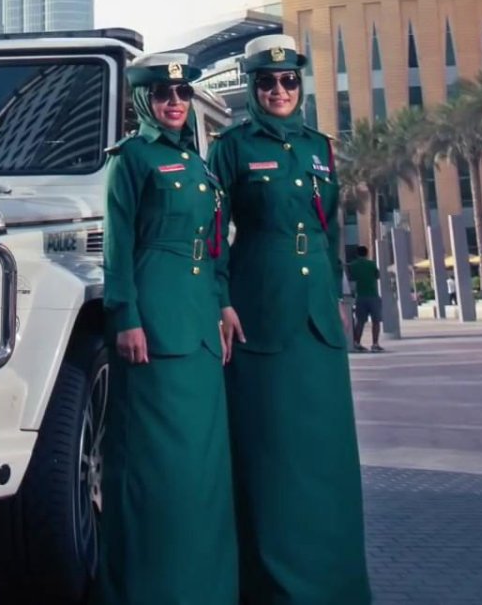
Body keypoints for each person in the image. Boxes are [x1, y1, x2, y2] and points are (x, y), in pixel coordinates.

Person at [211, 34, 372, 604]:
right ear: (253, 87)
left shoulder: (321, 148)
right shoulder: (232, 148)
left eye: (287, 81)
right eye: (266, 82)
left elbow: (328, 233)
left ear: (299, 85)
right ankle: (270, 587)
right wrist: (221, 300)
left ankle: (334, 585)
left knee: (325, 456)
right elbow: (213, 234)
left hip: (317, 323)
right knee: (271, 454)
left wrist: (335, 298)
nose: (278, 91)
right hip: (260, 314)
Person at [94, 52, 237, 605]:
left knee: (201, 465)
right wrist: (125, 317)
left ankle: (204, 587)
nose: (174, 103)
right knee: (158, 465)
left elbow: (213, 243)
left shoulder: (197, 163)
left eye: (181, 94)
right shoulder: (131, 158)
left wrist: (222, 304)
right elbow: (117, 245)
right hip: (154, 324)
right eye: (162, 95)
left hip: (199, 323)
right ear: (143, 100)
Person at [347, 245, 384, 353]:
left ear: (357, 254)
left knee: (360, 321)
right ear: (366, 253)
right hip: (373, 295)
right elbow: (377, 275)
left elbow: (351, 277)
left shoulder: (352, 265)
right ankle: (375, 344)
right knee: (376, 321)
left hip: (360, 296)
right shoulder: (371, 264)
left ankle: (357, 343)